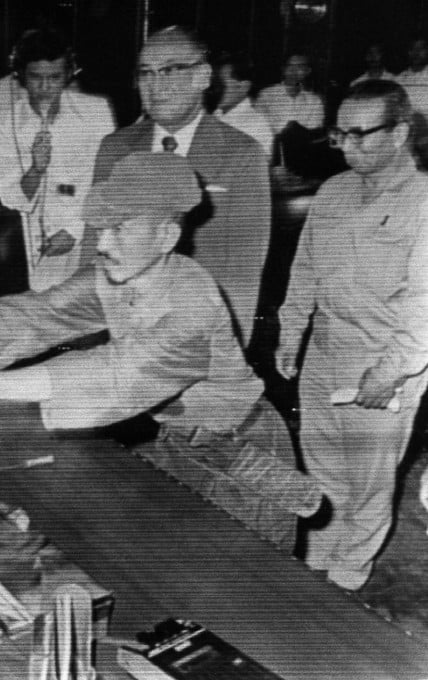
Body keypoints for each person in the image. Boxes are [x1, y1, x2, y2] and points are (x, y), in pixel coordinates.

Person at [0, 151, 319, 548]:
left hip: (246, 451)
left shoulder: (192, 304)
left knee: (254, 591)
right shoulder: (114, 273)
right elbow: (32, 315)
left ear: (166, 237)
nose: (101, 243)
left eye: (119, 229)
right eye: (101, 228)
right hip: (179, 444)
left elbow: (111, 373)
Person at [276, 79, 428, 591]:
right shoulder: (334, 190)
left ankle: (346, 580)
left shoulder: (425, 200)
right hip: (323, 352)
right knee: (322, 473)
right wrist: (290, 332)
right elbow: (306, 269)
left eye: (360, 134)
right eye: (339, 134)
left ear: (400, 133)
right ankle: (316, 570)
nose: (346, 146)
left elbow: (425, 307)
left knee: (368, 482)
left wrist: (390, 374)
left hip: (380, 363)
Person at [93, 26, 270, 348]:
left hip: (197, 330)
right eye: (145, 73)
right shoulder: (115, 148)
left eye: (169, 71)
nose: (154, 85)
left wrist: (229, 351)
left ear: (202, 76)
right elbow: (96, 248)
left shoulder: (241, 153)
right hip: (124, 328)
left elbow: (244, 268)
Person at [0, 27, 115, 291]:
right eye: (35, 77)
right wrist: (35, 169)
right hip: (27, 247)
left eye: (54, 77)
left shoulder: (96, 113)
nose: (45, 87)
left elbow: (107, 185)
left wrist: (75, 231)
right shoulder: (3, 123)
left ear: (69, 74)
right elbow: (10, 198)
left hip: (83, 240)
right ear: (20, 75)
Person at [212, 52, 274, 158]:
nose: (215, 90)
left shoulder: (255, 124)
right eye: (214, 84)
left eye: (222, 84)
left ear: (244, 87)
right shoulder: (216, 113)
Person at [257, 52, 325, 134]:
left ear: (308, 71)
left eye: (300, 67)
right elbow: (258, 126)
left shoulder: (314, 100)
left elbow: (315, 129)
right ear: (283, 69)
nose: (294, 71)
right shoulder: (267, 95)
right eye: (290, 66)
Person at [395, 37, 428, 115]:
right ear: (408, 52)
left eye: (421, 49)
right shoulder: (399, 80)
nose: (416, 53)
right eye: (413, 49)